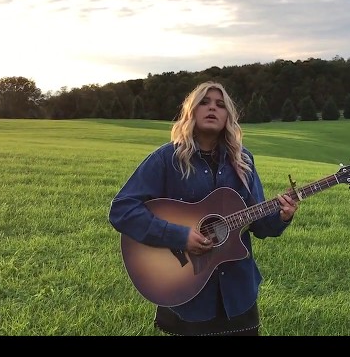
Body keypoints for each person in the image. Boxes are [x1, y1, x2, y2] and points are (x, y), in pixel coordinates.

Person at [109, 81, 298, 336]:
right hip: (185, 289)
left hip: (237, 292)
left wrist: (282, 216)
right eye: (204, 103)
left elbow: (260, 225)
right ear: (191, 111)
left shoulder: (243, 161)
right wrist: (180, 236)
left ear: (228, 116)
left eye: (220, 105)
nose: (212, 108)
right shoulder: (167, 159)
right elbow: (122, 209)